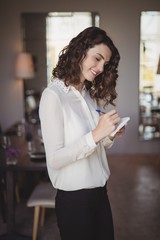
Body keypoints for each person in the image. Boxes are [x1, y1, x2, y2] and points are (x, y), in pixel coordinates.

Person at [39, 26, 125, 240]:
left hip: (100, 194)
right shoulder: (53, 96)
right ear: (80, 50)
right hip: (75, 202)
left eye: (104, 64)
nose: (99, 67)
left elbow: (95, 143)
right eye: (97, 58)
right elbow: (55, 159)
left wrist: (109, 135)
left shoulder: (88, 94)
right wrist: (96, 134)